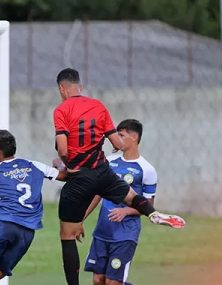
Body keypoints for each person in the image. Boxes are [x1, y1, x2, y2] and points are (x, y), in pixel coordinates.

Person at [53, 68, 185, 285]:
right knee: (132, 196)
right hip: (104, 171)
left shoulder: (61, 110)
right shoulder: (98, 106)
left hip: (79, 178)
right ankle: (153, 214)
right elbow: (117, 143)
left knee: (67, 236)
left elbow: (63, 150)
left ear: (61, 88)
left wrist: (70, 166)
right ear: (81, 86)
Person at [0, 130, 66, 285]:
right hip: (26, 233)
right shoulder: (34, 165)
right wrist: (61, 164)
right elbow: (64, 176)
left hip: (2, 226)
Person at [84, 119, 157, 285]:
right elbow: (97, 193)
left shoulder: (146, 169)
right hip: (103, 231)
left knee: (112, 282)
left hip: (125, 235)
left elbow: (149, 206)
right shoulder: (109, 162)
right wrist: (81, 219)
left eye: (120, 135)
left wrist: (126, 211)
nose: (116, 139)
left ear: (133, 137)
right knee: (98, 280)